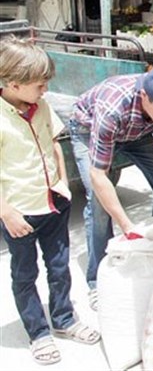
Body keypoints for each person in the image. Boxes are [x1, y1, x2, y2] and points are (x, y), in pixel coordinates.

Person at [1, 37, 100, 365]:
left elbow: (54, 141)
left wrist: (61, 182)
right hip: (19, 212)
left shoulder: (40, 106)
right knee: (24, 274)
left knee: (59, 267)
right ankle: (38, 332)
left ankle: (64, 319)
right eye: (40, 85)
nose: (45, 91)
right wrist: (6, 212)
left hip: (53, 204)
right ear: (14, 84)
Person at [70, 64, 153, 309]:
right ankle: (96, 281)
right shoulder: (112, 109)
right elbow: (99, 175)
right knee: (99, 205)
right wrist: (127, 226)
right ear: (144, 97)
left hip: (137, 133)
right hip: (88, 131)